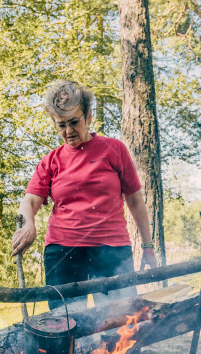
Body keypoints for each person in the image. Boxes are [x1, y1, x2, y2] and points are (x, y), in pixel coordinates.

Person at [11, 80, 158, 310]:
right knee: (67, 324)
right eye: (61, 125)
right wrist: (29, 224)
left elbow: (135, 200)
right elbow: (29, 200)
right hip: (63, 252)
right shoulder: (51, 161)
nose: (68, 131)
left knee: (119, 320)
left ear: (88, 116)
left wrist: (148, 245)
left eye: (74, 122)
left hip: (111, 249)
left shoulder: (114, 150)